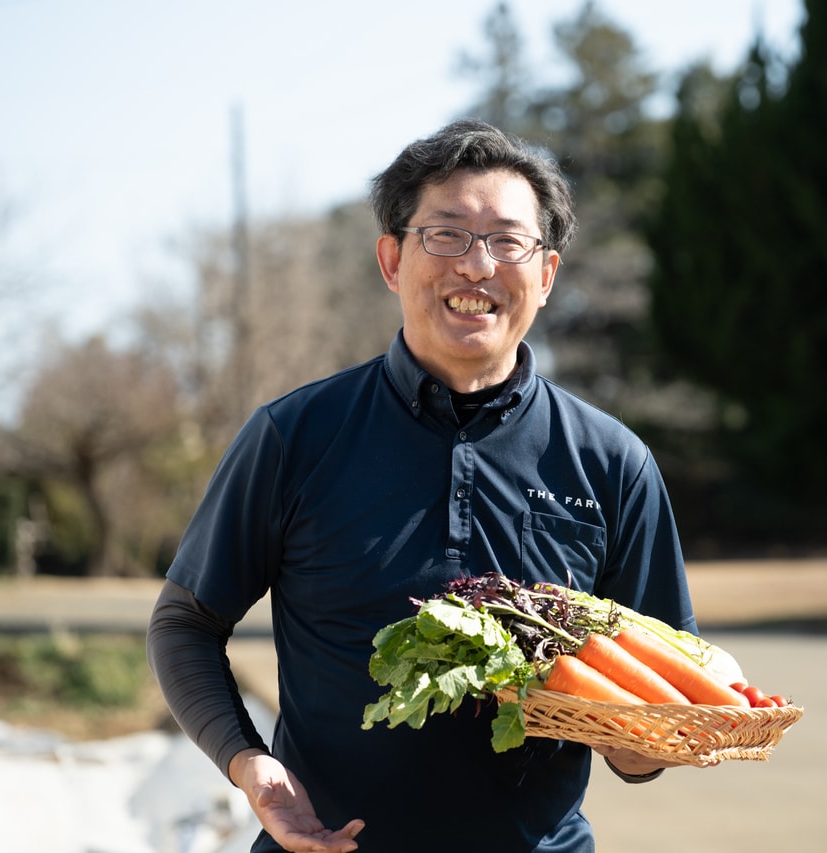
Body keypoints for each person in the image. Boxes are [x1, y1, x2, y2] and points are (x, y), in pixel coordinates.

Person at [147, 118, 699, 853]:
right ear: (391, 259)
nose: (476, 267)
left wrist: (647, 738)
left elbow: (659, 706)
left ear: (546, 274)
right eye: (446, 235)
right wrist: (251, 766)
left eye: (507, 241)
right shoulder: (295, 436)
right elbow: (184, 621)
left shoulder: (611, 462)